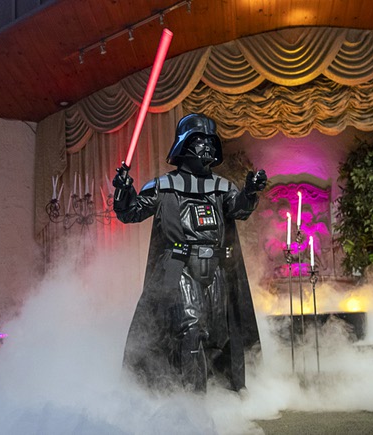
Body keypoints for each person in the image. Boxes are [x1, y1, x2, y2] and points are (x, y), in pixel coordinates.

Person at [112, 113, 267, 393]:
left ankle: (217, 393)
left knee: (218, 334)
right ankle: (192, 404)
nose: (206, 146)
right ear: (184, 144)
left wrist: (250, 192)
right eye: (199, 140)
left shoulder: (222, 188)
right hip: (179, 265)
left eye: (210, 140)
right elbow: (130, 212)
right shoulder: (162, 186)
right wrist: (123, 191)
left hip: (217, 266)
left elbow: (240, 209)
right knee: (191, 328)